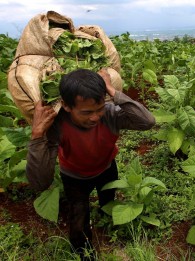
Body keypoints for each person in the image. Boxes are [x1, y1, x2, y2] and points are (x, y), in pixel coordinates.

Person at [26, 68, 156, 260]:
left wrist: (111, 90)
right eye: (86, 112)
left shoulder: (109, 114)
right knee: (79, 220)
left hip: (106, 168)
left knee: (108, 203)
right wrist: (37, 135)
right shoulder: (57, 124)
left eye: (99, 108)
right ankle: (84, 254)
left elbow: (147, 122)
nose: (95, 117)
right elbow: (39, 182)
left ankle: (110, 231)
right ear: (67, 106)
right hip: (74, 177)